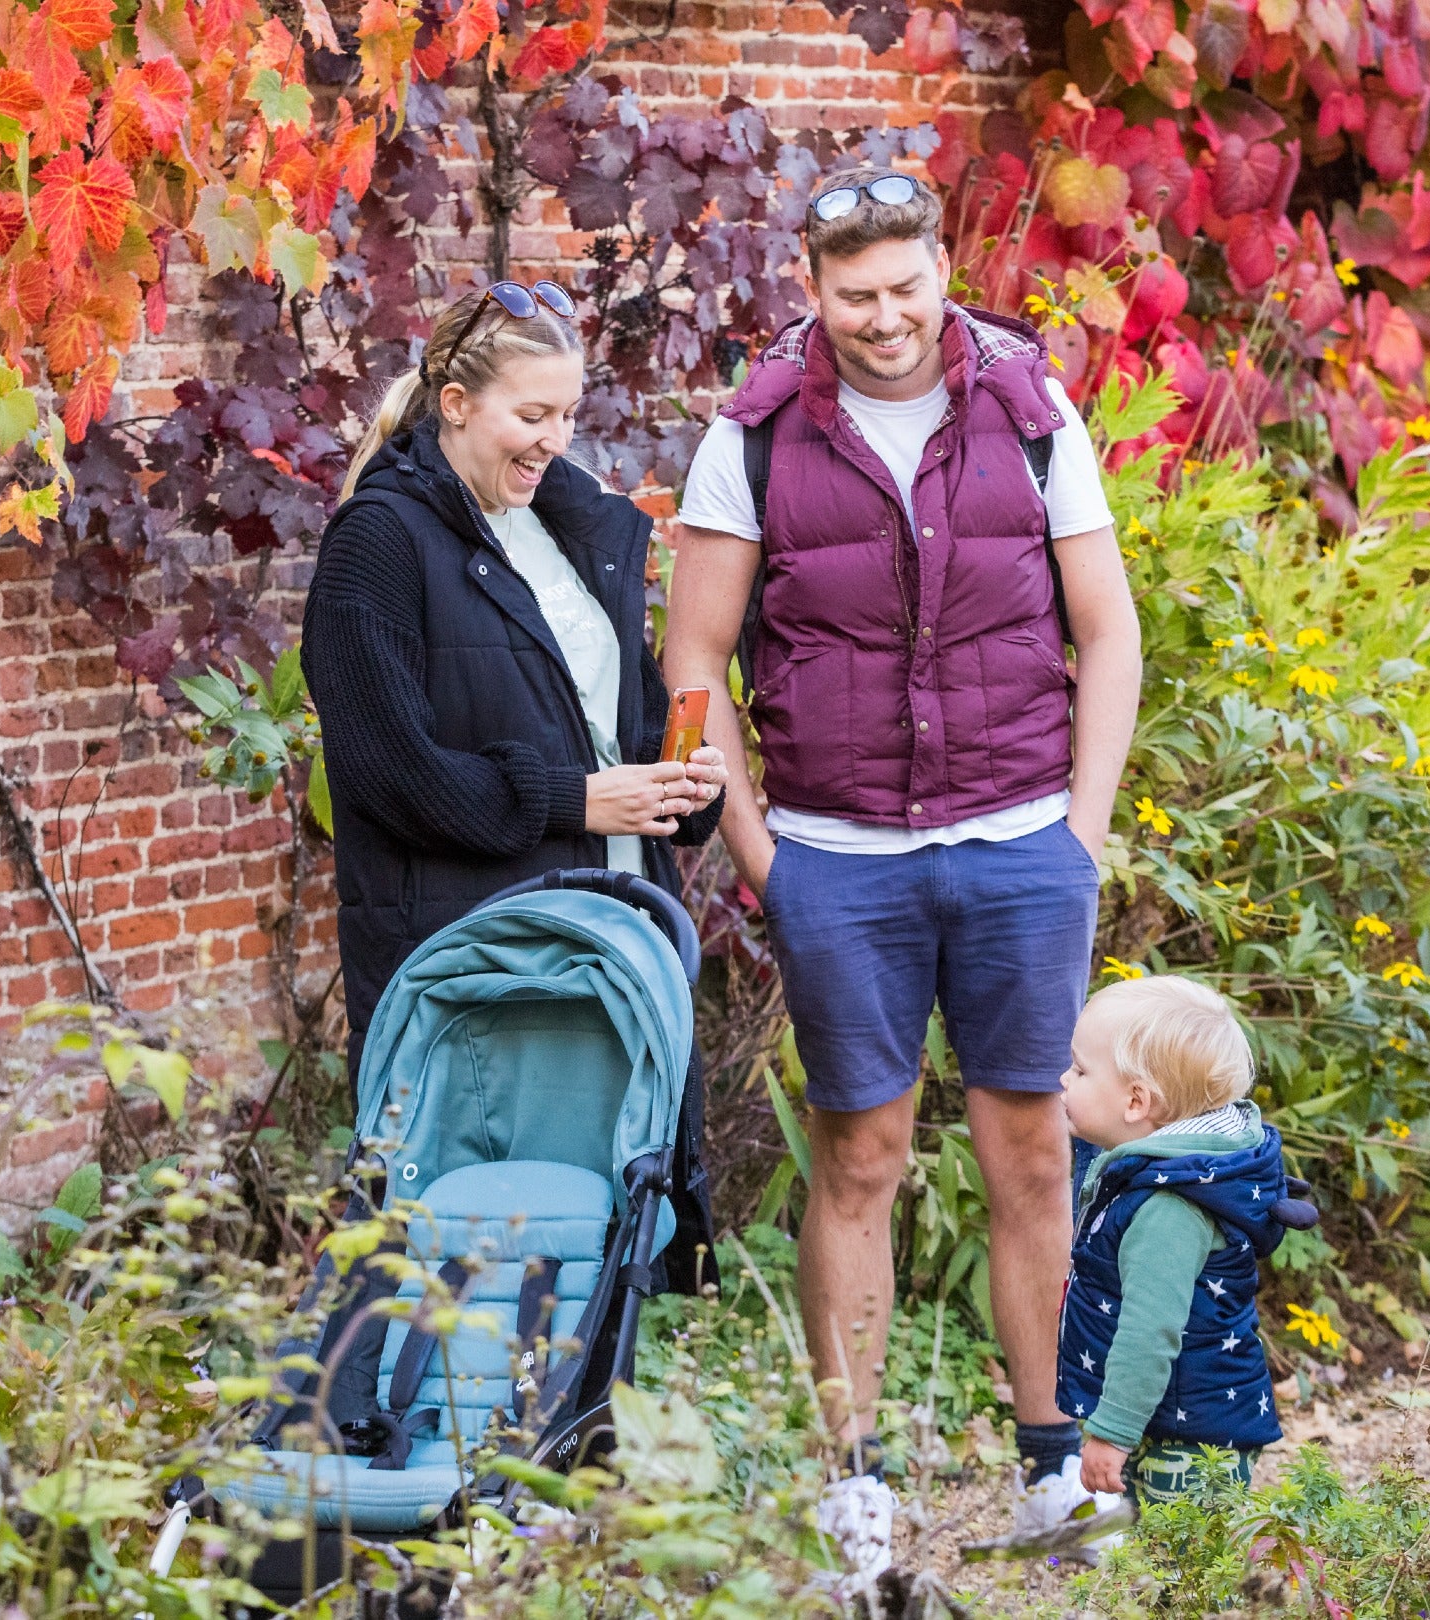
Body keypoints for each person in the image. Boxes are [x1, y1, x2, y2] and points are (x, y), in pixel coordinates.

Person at [661, 166, 1145, 1571]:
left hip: (1016, 848)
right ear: (812, 290)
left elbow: (1107, 633)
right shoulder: (751, 433)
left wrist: (1082, 832)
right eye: (855, 295)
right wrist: (758, 853)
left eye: (907, 288)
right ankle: (853, 1484)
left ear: (944, 268)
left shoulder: (1029, 407)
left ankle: (1055, 1471)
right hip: (839, 859)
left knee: (1033, 1159)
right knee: (858, 1159)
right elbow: (695, 660)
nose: (885, 320)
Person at [305, 279, 729, 1061]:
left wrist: (680, 785)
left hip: (621, 949)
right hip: (475, 972)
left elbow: (621, 727)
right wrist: (578, 802)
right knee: (478, 1186)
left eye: (567, 415)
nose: (556, 441)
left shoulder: (574, 532)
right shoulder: (379, 541)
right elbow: (390, 775)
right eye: (532, 417)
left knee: (625, 1183)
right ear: (458, 403)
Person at [1055, 975, 1287, 1510]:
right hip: (1173, 1416)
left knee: (1184, 1567)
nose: (1064, 1079)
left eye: (1081, 1070)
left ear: (1137, 1101)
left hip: (1189, 1435)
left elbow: (1150, 1327)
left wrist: (1111, 1432)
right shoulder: (1152, 1171)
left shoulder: (1168, 1206)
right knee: (1171, 1561)